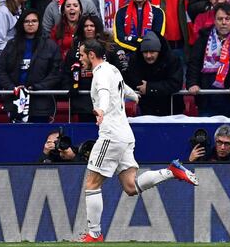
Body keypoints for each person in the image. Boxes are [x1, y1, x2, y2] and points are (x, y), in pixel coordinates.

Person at [78, 39, 198, 242]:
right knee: (131, 187)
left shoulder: (100, 75)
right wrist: (133, 96)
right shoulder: (112, 69)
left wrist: (100, 109)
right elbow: (122, 88)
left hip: (111, 135)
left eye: (81, 55)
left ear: (91, 55)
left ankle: (94, 234)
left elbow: (105, 93)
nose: (80, 59)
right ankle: (171, 171)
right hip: (125, 134)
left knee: (91, 183)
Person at [186, 2, 230, 118]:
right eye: (220, 19)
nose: (224, 23)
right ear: (214, 20)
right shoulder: (203, 38)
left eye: (227, 19)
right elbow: (194, 63)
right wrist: (192, 83)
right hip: (208, 98)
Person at [0, 9, 62, 123]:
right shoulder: (11, 45)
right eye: (27, 21)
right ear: (22, 24)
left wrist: (37, 87)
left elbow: (56, 73)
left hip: (40, 102)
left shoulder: (50, 45)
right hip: (15, 101)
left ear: (39, 23)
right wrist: (12, 87)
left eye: (34, 21)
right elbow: (1, 70)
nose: (30, 24)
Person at [62, 14, 127, 122]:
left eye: (92, 25)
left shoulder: (109, 46)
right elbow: (66, 72)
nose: (89, 28)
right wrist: (69, 87)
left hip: (106, 101)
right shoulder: (74, 49)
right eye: (86, 26)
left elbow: (119, 71)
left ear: (97, 27)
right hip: (82, 102)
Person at [125, 31, 184, 116]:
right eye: (145, 52)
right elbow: (132, 80)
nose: (148, 56)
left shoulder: (172, 59)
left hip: (171, 109)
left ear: (159, 51)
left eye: (152, 52)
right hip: (146, 110)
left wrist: (150, 88)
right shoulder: (136, 59)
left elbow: (175, 83)